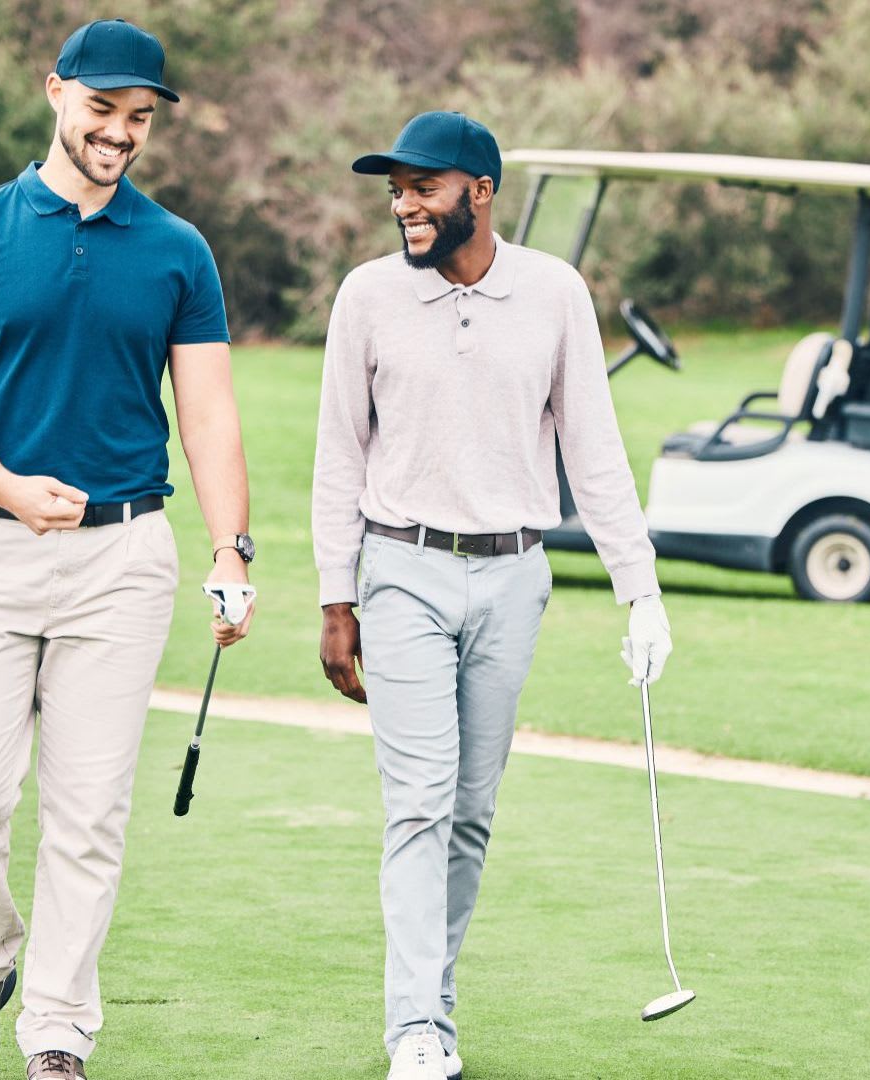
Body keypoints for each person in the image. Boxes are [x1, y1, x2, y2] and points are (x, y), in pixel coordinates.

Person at [0, 19, 256, 1080]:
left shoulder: (178, 250)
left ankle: (58, 1025)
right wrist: (10, 487)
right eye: (103, 109)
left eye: (139, 116)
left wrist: (231, 551)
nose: (120, 133)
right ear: (55, 92)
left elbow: (209, 415)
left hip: (124, 562)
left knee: (88, 814)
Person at [311, 110, 673, 1080]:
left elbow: (594, 449)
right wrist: (336, 597)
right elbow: (339, 452)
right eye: (396, 191)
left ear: (479, 191)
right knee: (420, 803)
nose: (404, 206)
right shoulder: (368, 296)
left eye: (422, 188)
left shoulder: (554, 293)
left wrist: (639, 591)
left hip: (515, 576)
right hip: (403, 570)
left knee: (470, 811)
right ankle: (415, 1026)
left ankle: (435, 1003)